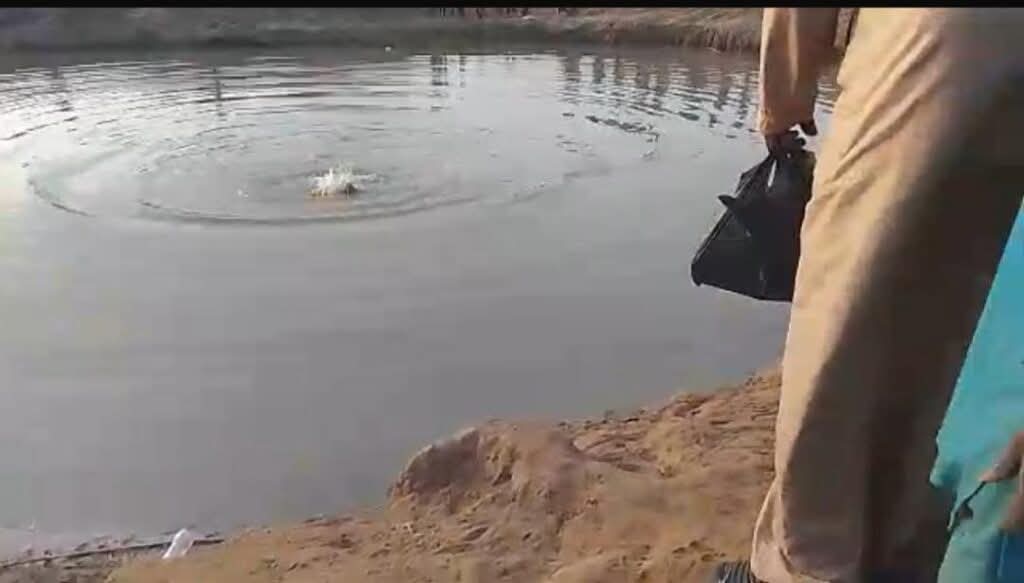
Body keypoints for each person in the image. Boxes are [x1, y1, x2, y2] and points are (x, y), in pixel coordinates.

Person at [713, 8, 1024, 583]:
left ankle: (804, 565)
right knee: (964, 318)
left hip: (932, 44)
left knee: (845, 307)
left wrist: (783, 98)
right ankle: (908, 548)